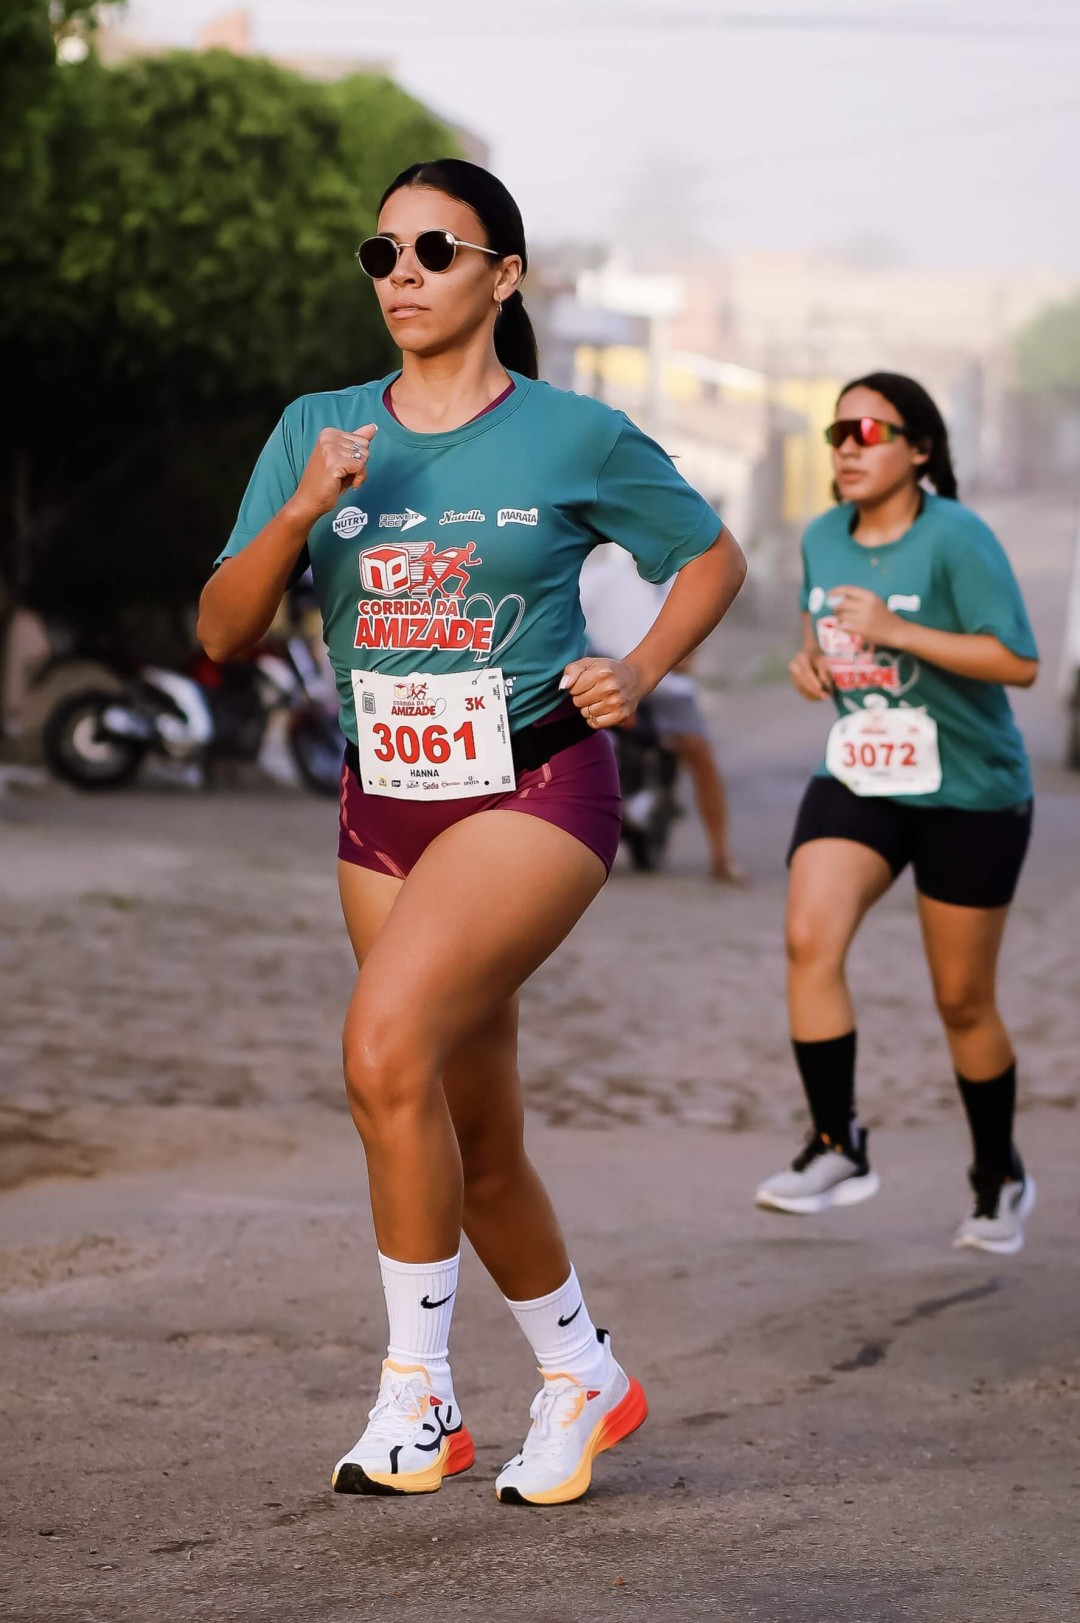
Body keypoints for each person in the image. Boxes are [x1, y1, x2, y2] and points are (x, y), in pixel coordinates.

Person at [197, 159, 746, 1503]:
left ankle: (418, 1394)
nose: (403, 275)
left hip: (534, 787)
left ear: (503, 275)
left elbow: (711, 554)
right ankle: (583, 1372)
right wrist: (302, 509)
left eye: (435, 251)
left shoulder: (572, 434)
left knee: (381, 1047)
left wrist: (643, 669)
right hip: (381, 804)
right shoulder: (318, 428)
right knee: (467, 1126)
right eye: (382, 254)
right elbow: (221, 629)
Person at [754, 373, 1039, 1255]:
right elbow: (819, 637)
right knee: (808, 937)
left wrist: (899, 630)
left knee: (962, 999)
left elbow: (1018, 662)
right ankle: (837, 1142)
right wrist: (808, 665)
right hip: (863, 770)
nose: (847, 446)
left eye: (869, 431)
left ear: (919, 449)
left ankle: (998, 1174)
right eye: (837, 431)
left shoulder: (956, 537)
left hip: (969, 788)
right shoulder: (821, 536)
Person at [579, 543, 746, 881]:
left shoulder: (686, 576)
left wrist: (688, 656)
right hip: (610, 682)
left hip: (667, 687)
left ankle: (721, 856)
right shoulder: (600, 577)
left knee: (700, 754)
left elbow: (703, 619)